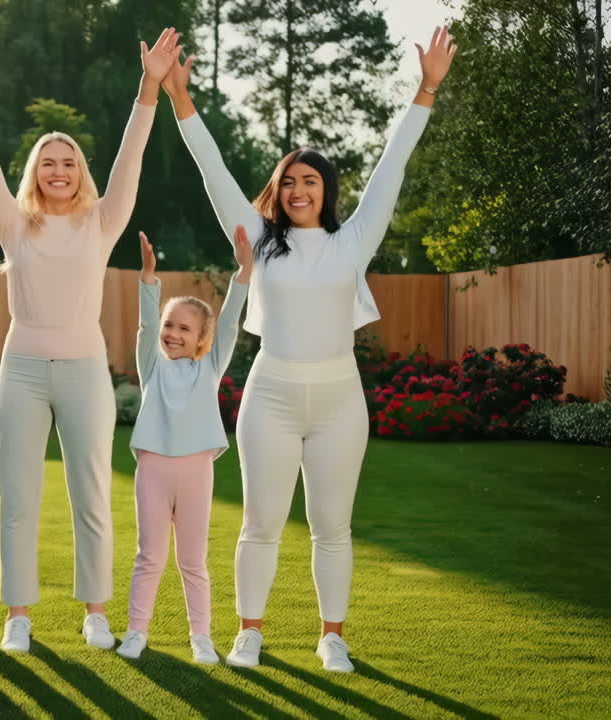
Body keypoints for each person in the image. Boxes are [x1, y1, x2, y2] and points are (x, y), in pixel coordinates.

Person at [160, 26, 457, 671]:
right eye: (289, 181)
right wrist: (181, 100)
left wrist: (426, 89)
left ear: (326, 190)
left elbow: (391, 166)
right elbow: (213, 172)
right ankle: (249, 632)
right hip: (270, 395)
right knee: (260, 523)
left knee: (332, 526)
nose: (298, 191)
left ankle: (332, 635)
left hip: (338, 399)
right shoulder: (259, 242)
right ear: (278, 188)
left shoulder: (353, 242)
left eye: (311, 182)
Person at [0, 28, 184, 652]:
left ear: (81, 173)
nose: (59, 170)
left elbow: (132, 155)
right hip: (23, 370)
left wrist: (149, 86)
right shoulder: (11, 223)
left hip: (84, 372)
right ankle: (18, 617)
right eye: (48, 162)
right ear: (34, 172)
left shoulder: (102, 221)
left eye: (69, 162)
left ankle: (96, 613)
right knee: (18, 497)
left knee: (91, 495)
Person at [116, 227, 251, 664]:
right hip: (153, 470)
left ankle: (201, 638)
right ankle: (136, 632)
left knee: (193, 561)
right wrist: (149, 280)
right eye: (170, 325)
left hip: (195, 471)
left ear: (201, 340)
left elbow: (229, 322)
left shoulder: (209, 368)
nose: (173, 333)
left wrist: (243, 274)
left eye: (184, 328)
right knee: (149, 556)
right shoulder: (152, 365)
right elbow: (146, 326)